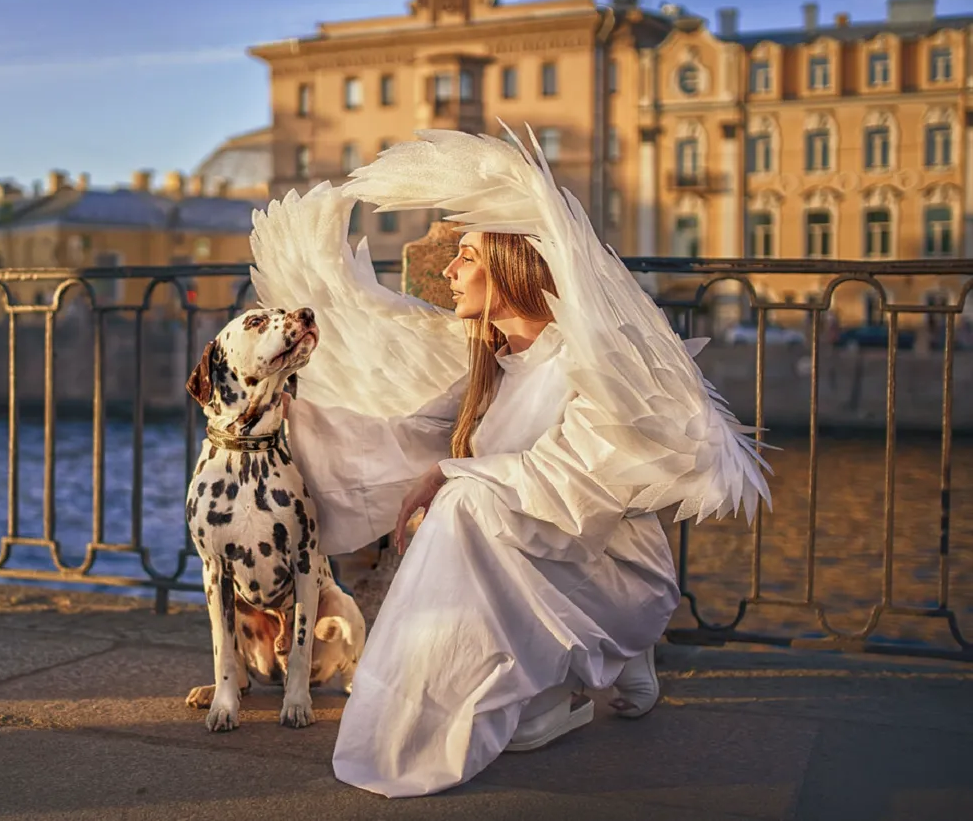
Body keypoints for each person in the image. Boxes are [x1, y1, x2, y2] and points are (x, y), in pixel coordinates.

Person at [249, 124, 773, 798]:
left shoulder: (591, 365)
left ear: (511, 265)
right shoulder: (489, 368)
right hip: (536, 562)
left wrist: (453, 472)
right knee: (464, 495)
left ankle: (586, 661)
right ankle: (553, 678)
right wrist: (285, 416)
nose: (449, 271)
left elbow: (576, 485)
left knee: (467, 499)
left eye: (466, 256)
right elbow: (396, 438)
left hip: (611, 575)